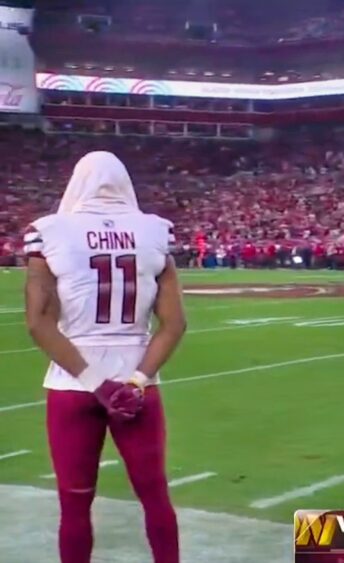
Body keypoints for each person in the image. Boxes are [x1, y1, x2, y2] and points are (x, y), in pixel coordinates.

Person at [23, 151, 187, 563]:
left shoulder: (50, 231)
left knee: (75, 505)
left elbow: (39, 321)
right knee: (155, 498)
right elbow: (174, 324)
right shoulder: (154, 231)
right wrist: (134, 382)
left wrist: (97, 384)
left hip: (72, 383)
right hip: (137, 384)